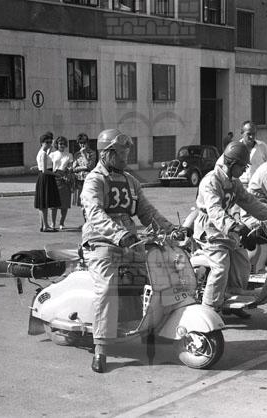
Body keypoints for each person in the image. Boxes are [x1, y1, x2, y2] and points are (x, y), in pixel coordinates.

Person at [81, 128, 178, 373]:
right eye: (121, 152)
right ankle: (101, 348)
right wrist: (119, 234)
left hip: (130, 242)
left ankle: (156, 329)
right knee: (107, 287)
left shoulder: (130, 181)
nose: (126, 157)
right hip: (101, 243)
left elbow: (147, 212)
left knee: (162, 271)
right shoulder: (94, 180)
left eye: (126, 152)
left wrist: (171, 229)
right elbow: (94, 213)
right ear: (106, 153)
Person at [194, 141, 267, 313]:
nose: (245, 170)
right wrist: (236, 227)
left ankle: (233, 294)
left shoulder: (234, 182)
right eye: (243, 166)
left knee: (242, 259)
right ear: (231, 164)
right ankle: (209, 307)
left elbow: (249, 201)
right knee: (220, 266)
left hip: (224, 227)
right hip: (208, 228)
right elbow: (215, 211)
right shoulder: (211, 181)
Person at [34, 132, 60, 232]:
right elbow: (45, 170)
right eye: (47, 142)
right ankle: (46, 226)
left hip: (43, 177)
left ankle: (43, 225)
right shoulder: (43, 154)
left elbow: (41, 167)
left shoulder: (41, 152)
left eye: (50, 142)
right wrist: (56, 174)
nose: (49, 144)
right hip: (46, 177)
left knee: (43, 202)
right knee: (44, 203)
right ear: (42, 143)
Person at [50, 136, 74, 230]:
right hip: (54, 178)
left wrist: (68, 173)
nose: (62, 145)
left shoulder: (69, 155)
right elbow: (48, 166)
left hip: (65, 179)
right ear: (57, 144)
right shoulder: (52, 154)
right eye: (60, 143)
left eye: (64, 144)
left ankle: (62, 222)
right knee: (54, 203)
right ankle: (53, 223)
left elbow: (70, 167)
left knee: (64, 203)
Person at [72, 133, 96, 209]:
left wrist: (84, 154)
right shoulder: (76, 154)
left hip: (88, 180)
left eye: (84, 142)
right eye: (80, 143)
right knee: (81, 204)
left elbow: (90, 167)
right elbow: (74, 168)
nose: (82, 145)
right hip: (79, 180)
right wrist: (84, 167)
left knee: (89, 202)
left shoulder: (92, 153)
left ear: (87, 142)